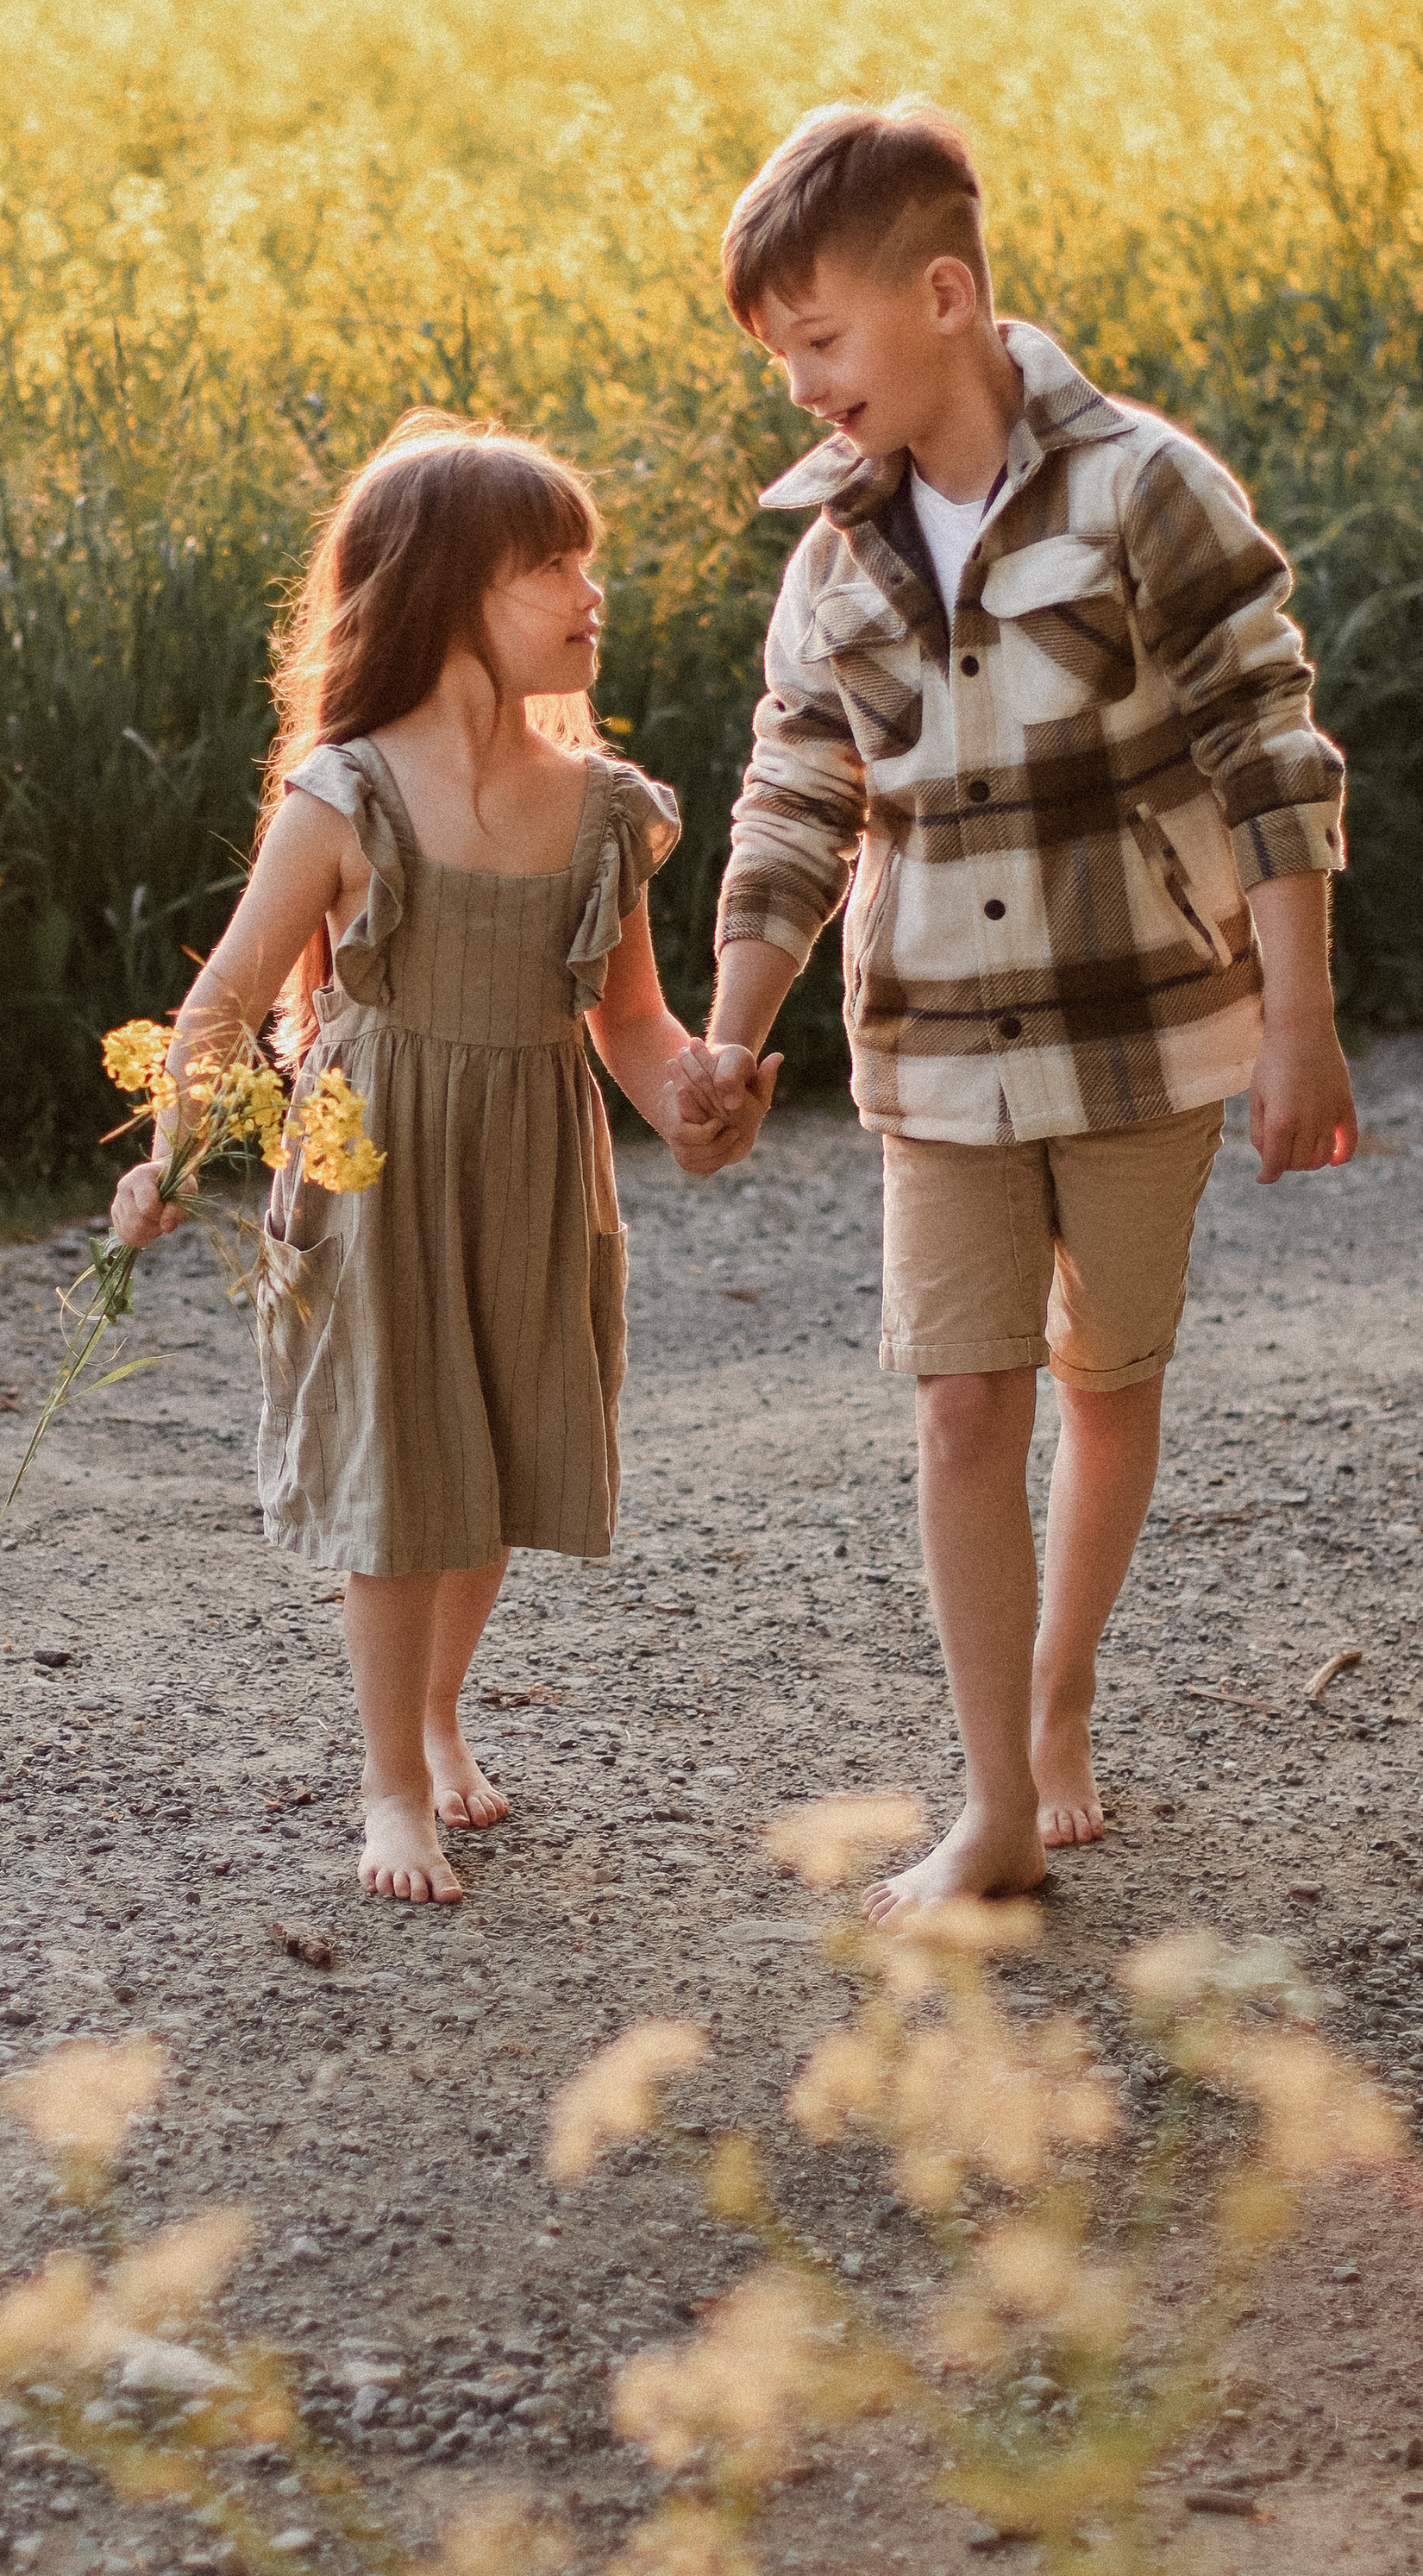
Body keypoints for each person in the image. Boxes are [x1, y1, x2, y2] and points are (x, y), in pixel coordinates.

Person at [670, 101, 1356, 1914]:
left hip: (1144, 1033)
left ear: (946, 295)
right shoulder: (827, 562)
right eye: (777, 352)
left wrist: (1298, 1028)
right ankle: (988, 1801)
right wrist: (730, 1031)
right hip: (935, 1055)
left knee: (1102, 1379)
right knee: (963, 1408)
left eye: (817, 339)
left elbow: (1271, 757)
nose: (798, 381)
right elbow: (793, 800)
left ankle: (1060, 1700)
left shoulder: (1143, 488)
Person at [112, 413, 762, 1906]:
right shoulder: (347, 795)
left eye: (587, 564)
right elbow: (223, 1002)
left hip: (537, 1155)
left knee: (505, 1461)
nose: (591, 594)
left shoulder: (603, 807)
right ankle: (390, 1780)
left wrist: (695, 1100)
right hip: (376, 1164)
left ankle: (440, 1706)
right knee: (405, 1474)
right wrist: (169, 1155)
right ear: (449, 586)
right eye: (553, 565)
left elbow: (636, 1025)